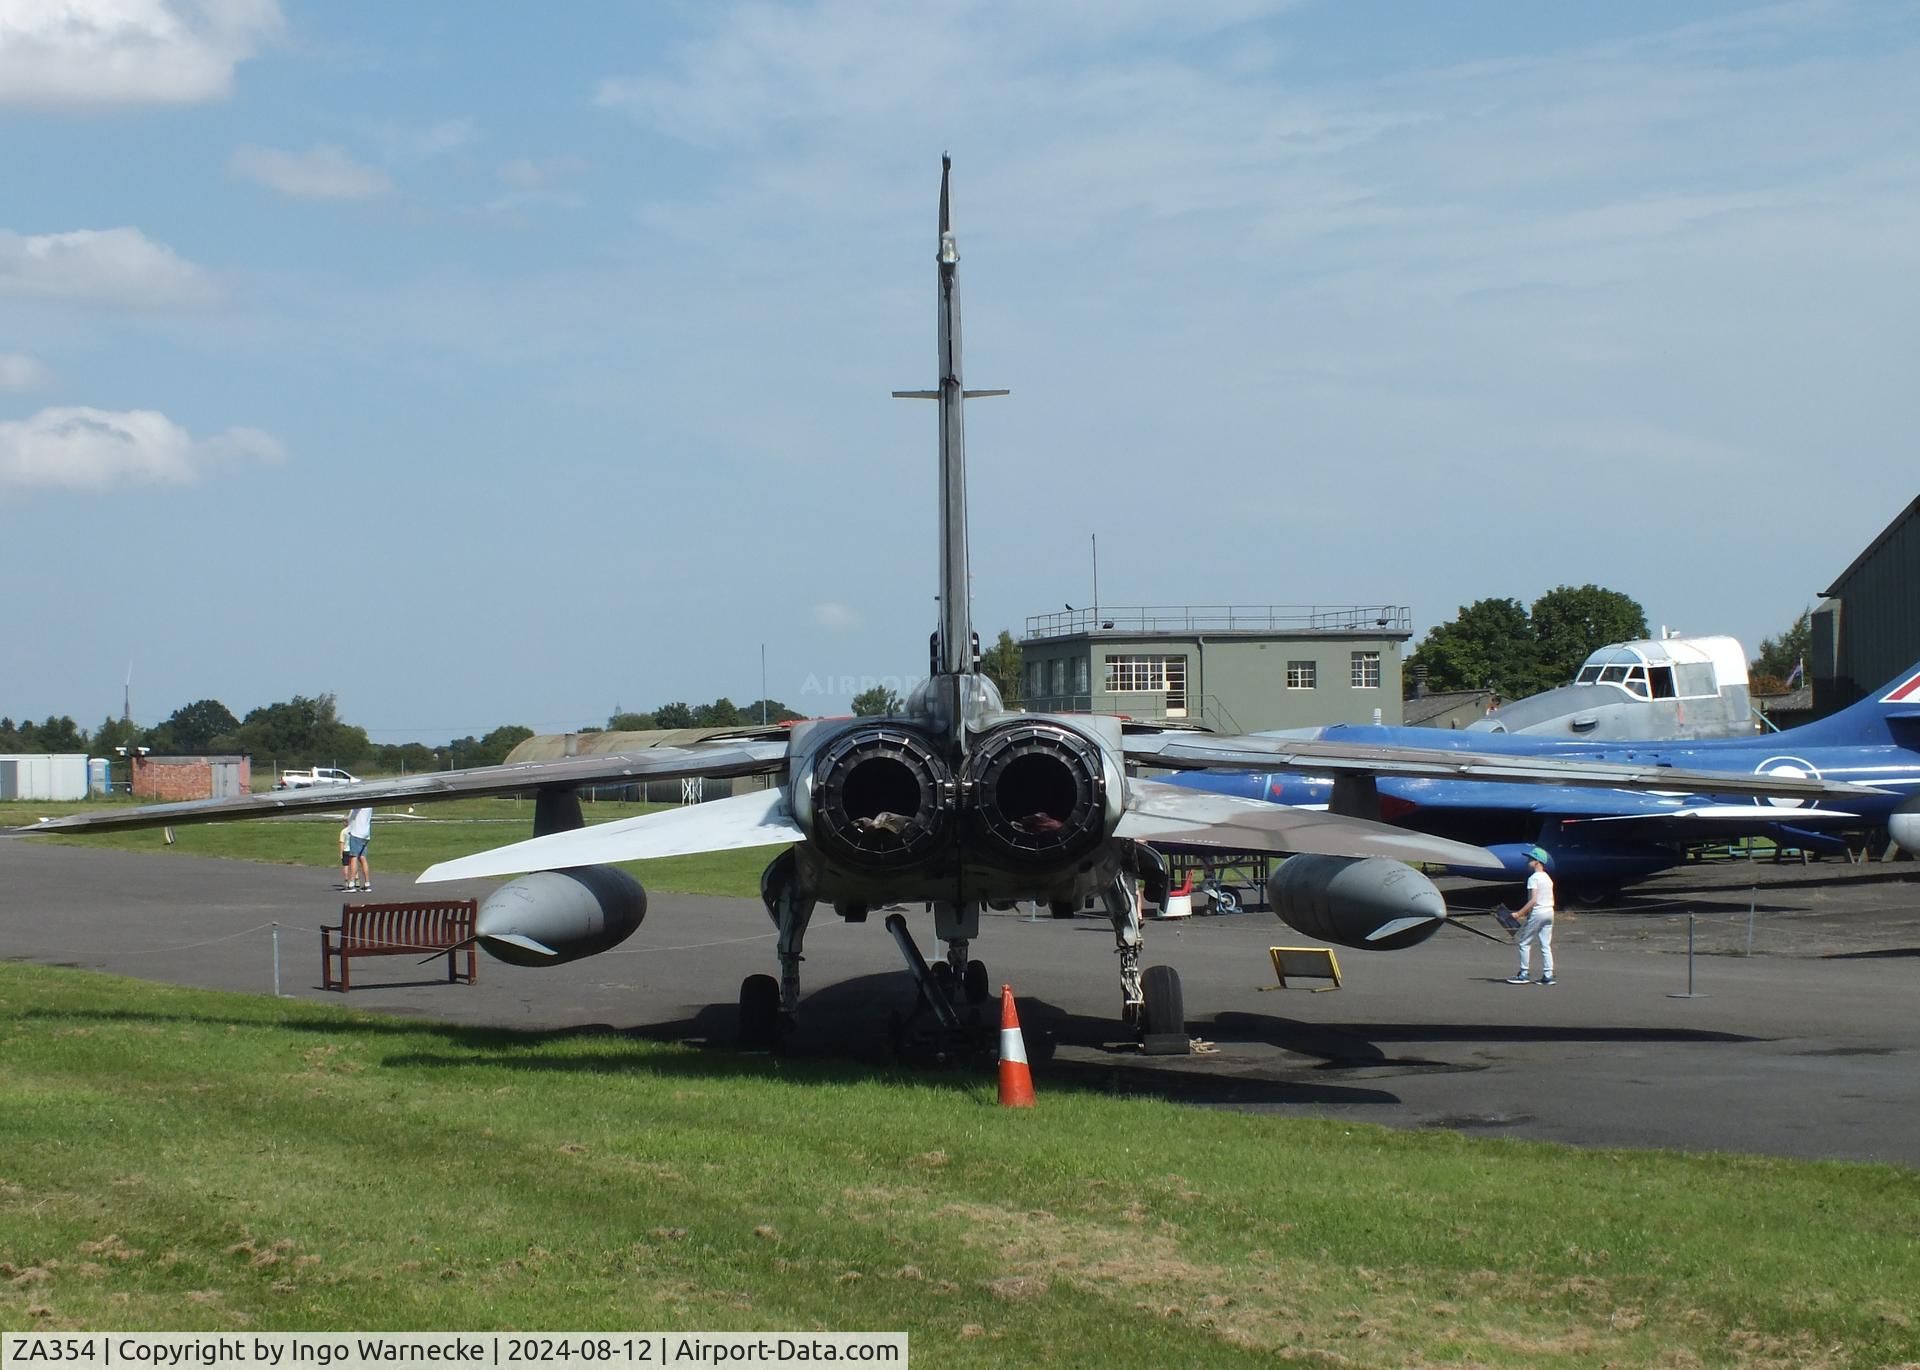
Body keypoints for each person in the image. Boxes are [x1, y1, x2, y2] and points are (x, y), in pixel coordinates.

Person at [1505, 845, 1556, 986]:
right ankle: (1548, 974)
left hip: (1538, 912)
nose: (1528, 861)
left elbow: (1533, 900)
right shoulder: (1547, 878)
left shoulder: (1533, 878)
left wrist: (1519, 914)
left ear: (1537, 861)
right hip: (1549, 911)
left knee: (1524, 942)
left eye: (1530, 858)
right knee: (1545, 944)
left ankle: (1524, 973)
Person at [345, 806, 373, 893]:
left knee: (353, 857)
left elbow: (351, 815)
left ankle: (351, 883)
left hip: (357, 833)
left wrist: (347, 820)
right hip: (366, 834)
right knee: (362, 858)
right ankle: (367, 883)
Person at [337, 824, 351, 889]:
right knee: (354, 865)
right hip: (353, 850)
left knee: (346, 866)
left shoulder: (343, 831)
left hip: (346, 850)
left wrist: (341, 853)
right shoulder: (354, 830)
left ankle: (346, 880)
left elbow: (342, 843)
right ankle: (356, 880)